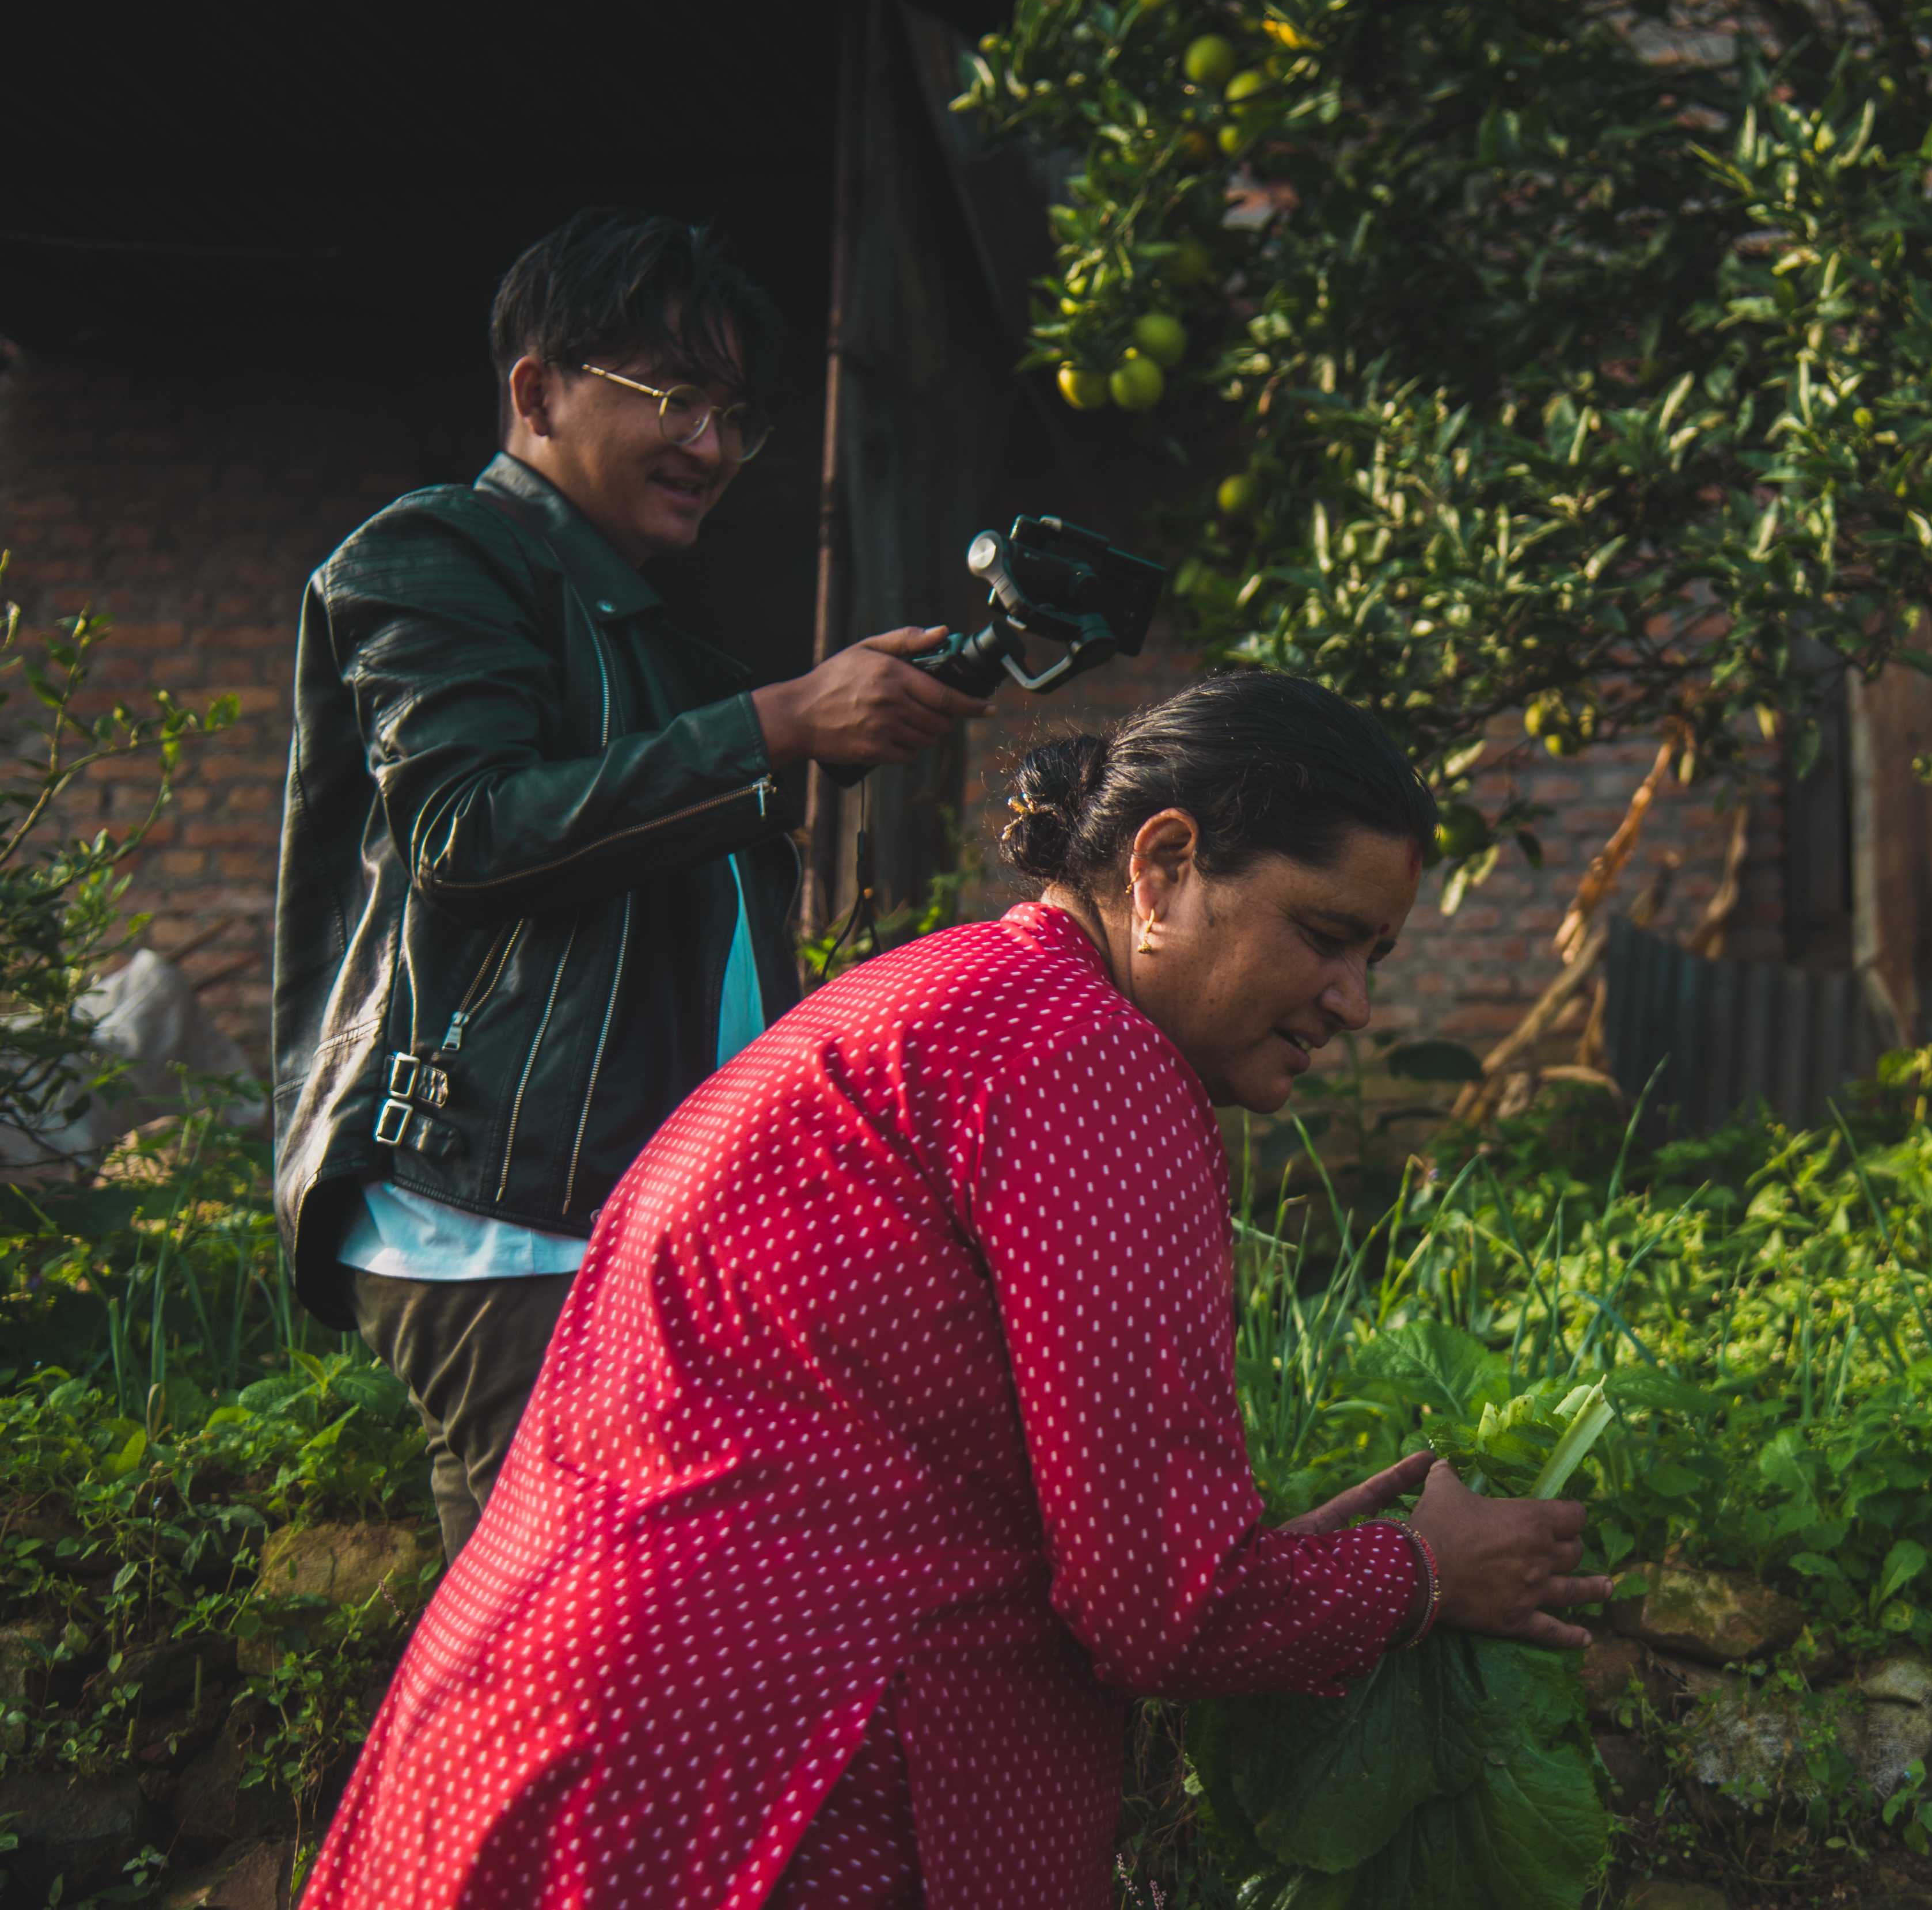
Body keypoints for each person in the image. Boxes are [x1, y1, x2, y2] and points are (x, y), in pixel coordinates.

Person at [295, 671, 1612, 1909]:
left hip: (556, 1735)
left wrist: (1275, 1576)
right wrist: (1425, 1576)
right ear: (1161, 868)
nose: (1356, 1004)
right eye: (1325, 938)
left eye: (1373, 958)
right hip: (760, 1785)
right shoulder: (1087, 1058)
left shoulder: (938, 1000)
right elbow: (1165, 1611)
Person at [271, 207, 990, 1556]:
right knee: (544, 1648)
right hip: (495, 1212)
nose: (709, 448)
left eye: (731, 415)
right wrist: (778, 725)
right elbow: (467, 833)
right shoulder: (431, 555)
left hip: (622, 1217)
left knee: (636, 1631)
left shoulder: (658, 645)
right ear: (535, 391)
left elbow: (647, 830)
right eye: (672, 398)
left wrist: (833, 718)